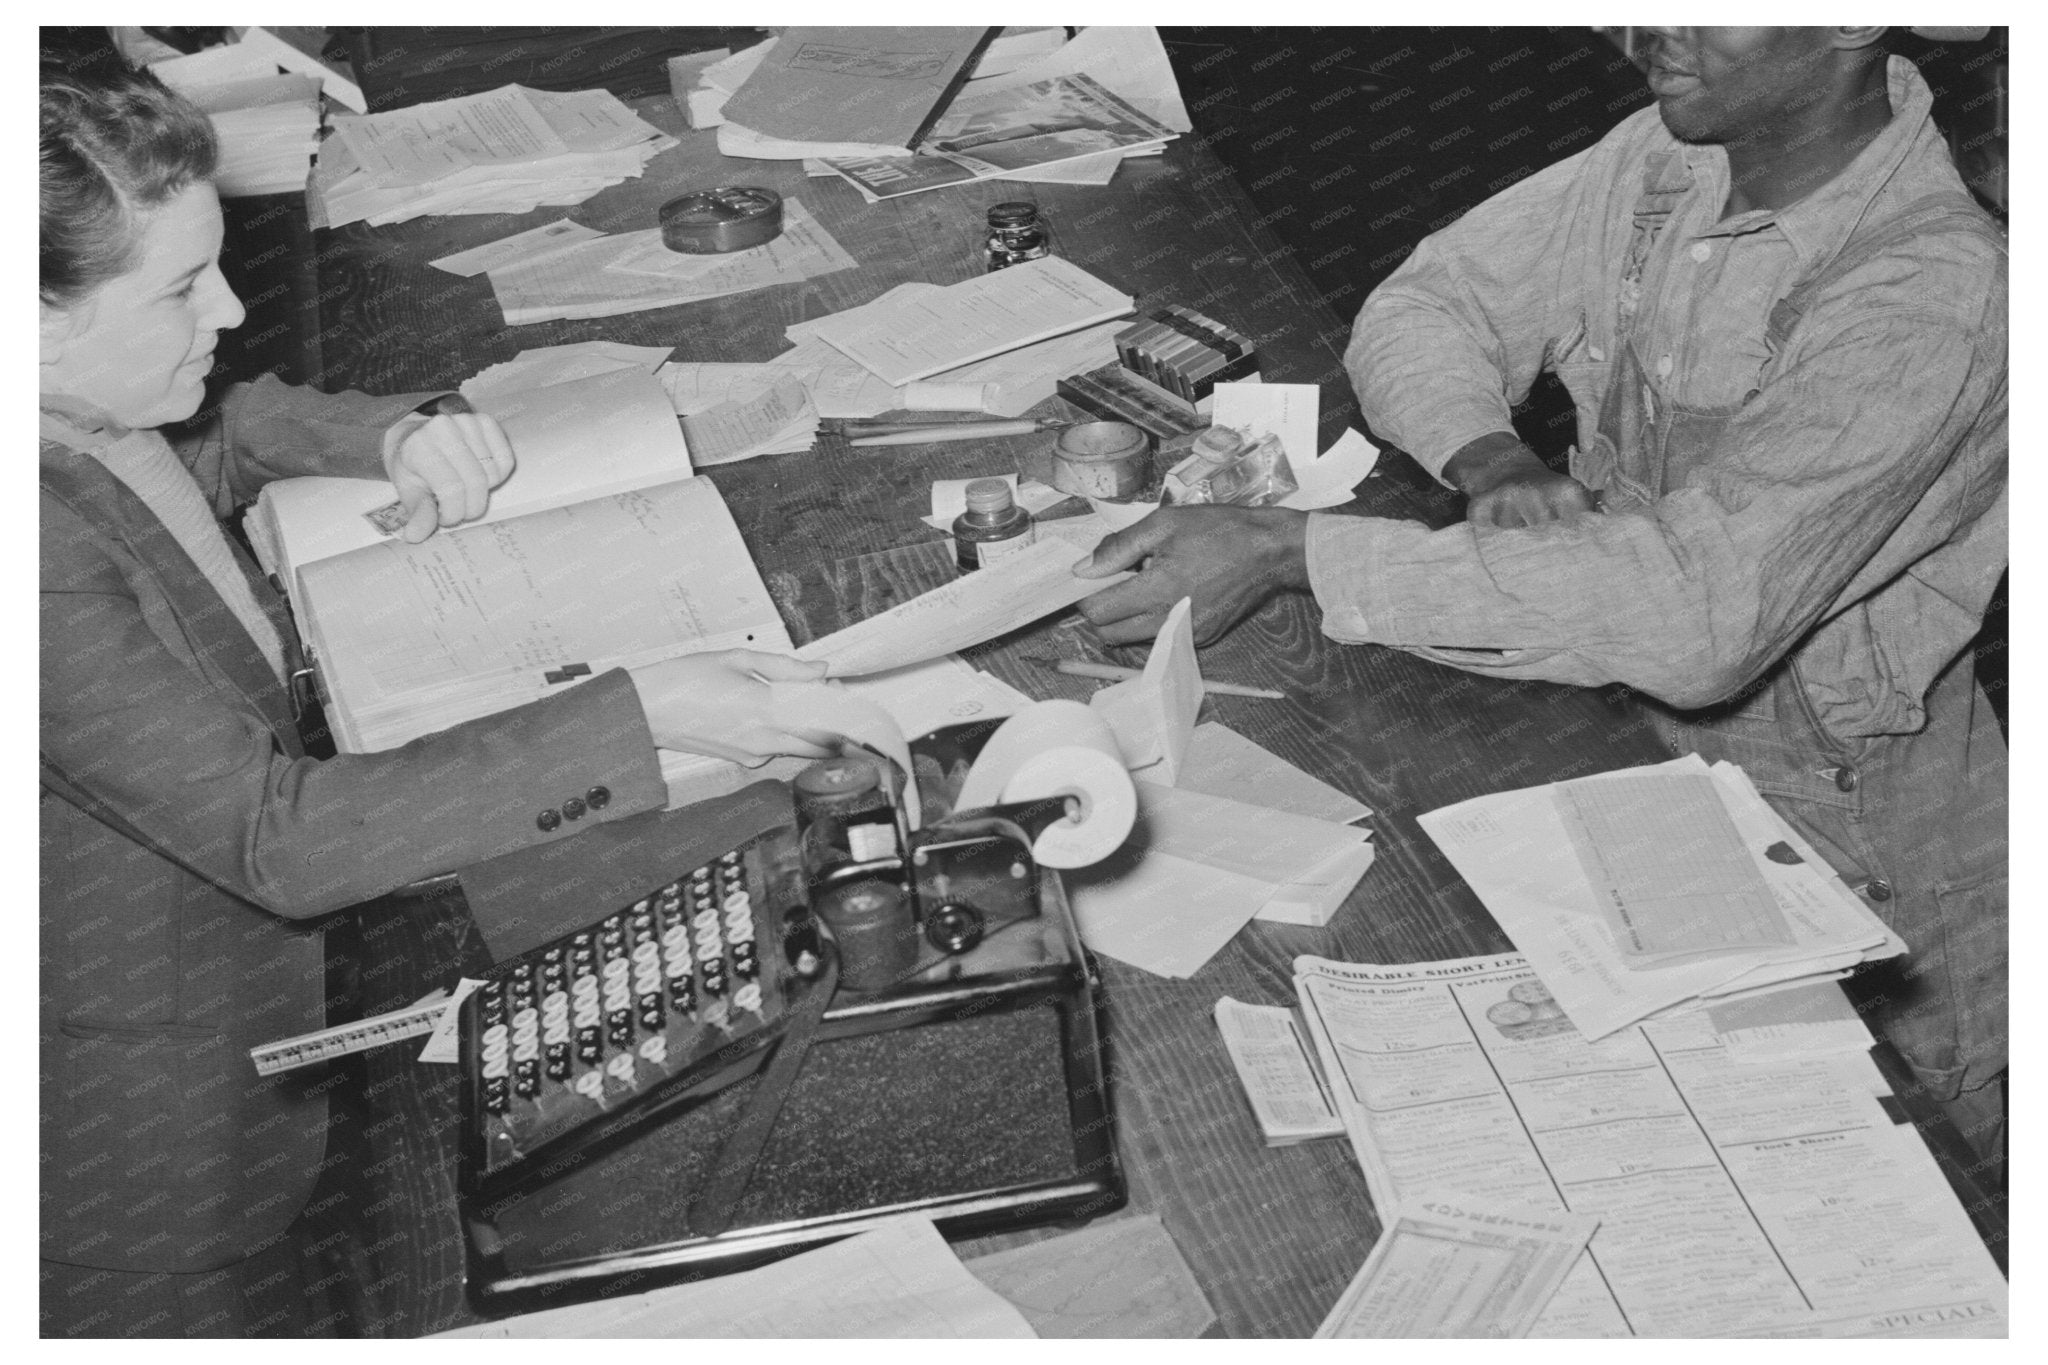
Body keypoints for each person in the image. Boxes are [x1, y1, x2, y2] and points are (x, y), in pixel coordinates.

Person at [1080, 28, 2006, 1174]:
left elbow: (1695, 617)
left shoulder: (1935, 288)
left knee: (1880, 1195)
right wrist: (1487, 456)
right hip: (1619, 748)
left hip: (1843, 855)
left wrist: (1297, 553)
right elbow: (1425, 306)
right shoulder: (1672, 157)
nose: (1646, 22)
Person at [39, 54, 833, 1336]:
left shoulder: (66, 410)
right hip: (149, 1164)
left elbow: (205, 441)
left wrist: (389, 435)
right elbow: (278, 837)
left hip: (262, 1044)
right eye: (183, 286)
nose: (233, 311)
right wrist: (647, 709)